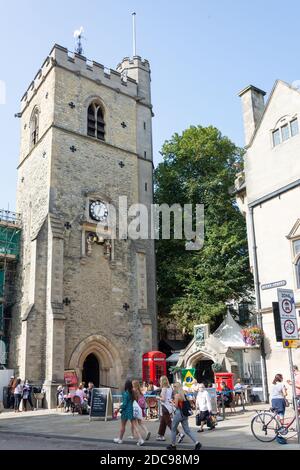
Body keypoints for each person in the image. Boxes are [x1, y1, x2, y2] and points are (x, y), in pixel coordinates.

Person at [166, 382, 202, 451]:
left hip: (178, 413)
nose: (173, 388)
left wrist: (172, 402)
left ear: (176, 387)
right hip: (185, 414)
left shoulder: (177, 395)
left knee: (173, 429)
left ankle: (173, 445)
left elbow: (176, 406)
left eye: (174, 386)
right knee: (187, 430)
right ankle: (197, 443)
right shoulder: (184, 394)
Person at [113, 379, 144, 446]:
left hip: (125, 411)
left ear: (126, 386)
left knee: (123, 426)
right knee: (135, 426)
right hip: (132, 410)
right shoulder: (133, 392)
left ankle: (120, 439)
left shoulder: (125, 393)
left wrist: (118, 409)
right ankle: (140, 439)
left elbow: (124, 404)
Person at [156, 376, 184, 443]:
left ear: (162, 381)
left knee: (169, 422)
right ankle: (161, 435)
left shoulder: (164, 389)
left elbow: (163, 399)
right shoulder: (170, 388)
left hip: (165, 407)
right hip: (169, 406)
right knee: (163, 421)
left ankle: (179, 434)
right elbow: (170, 397)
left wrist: (158, 397)